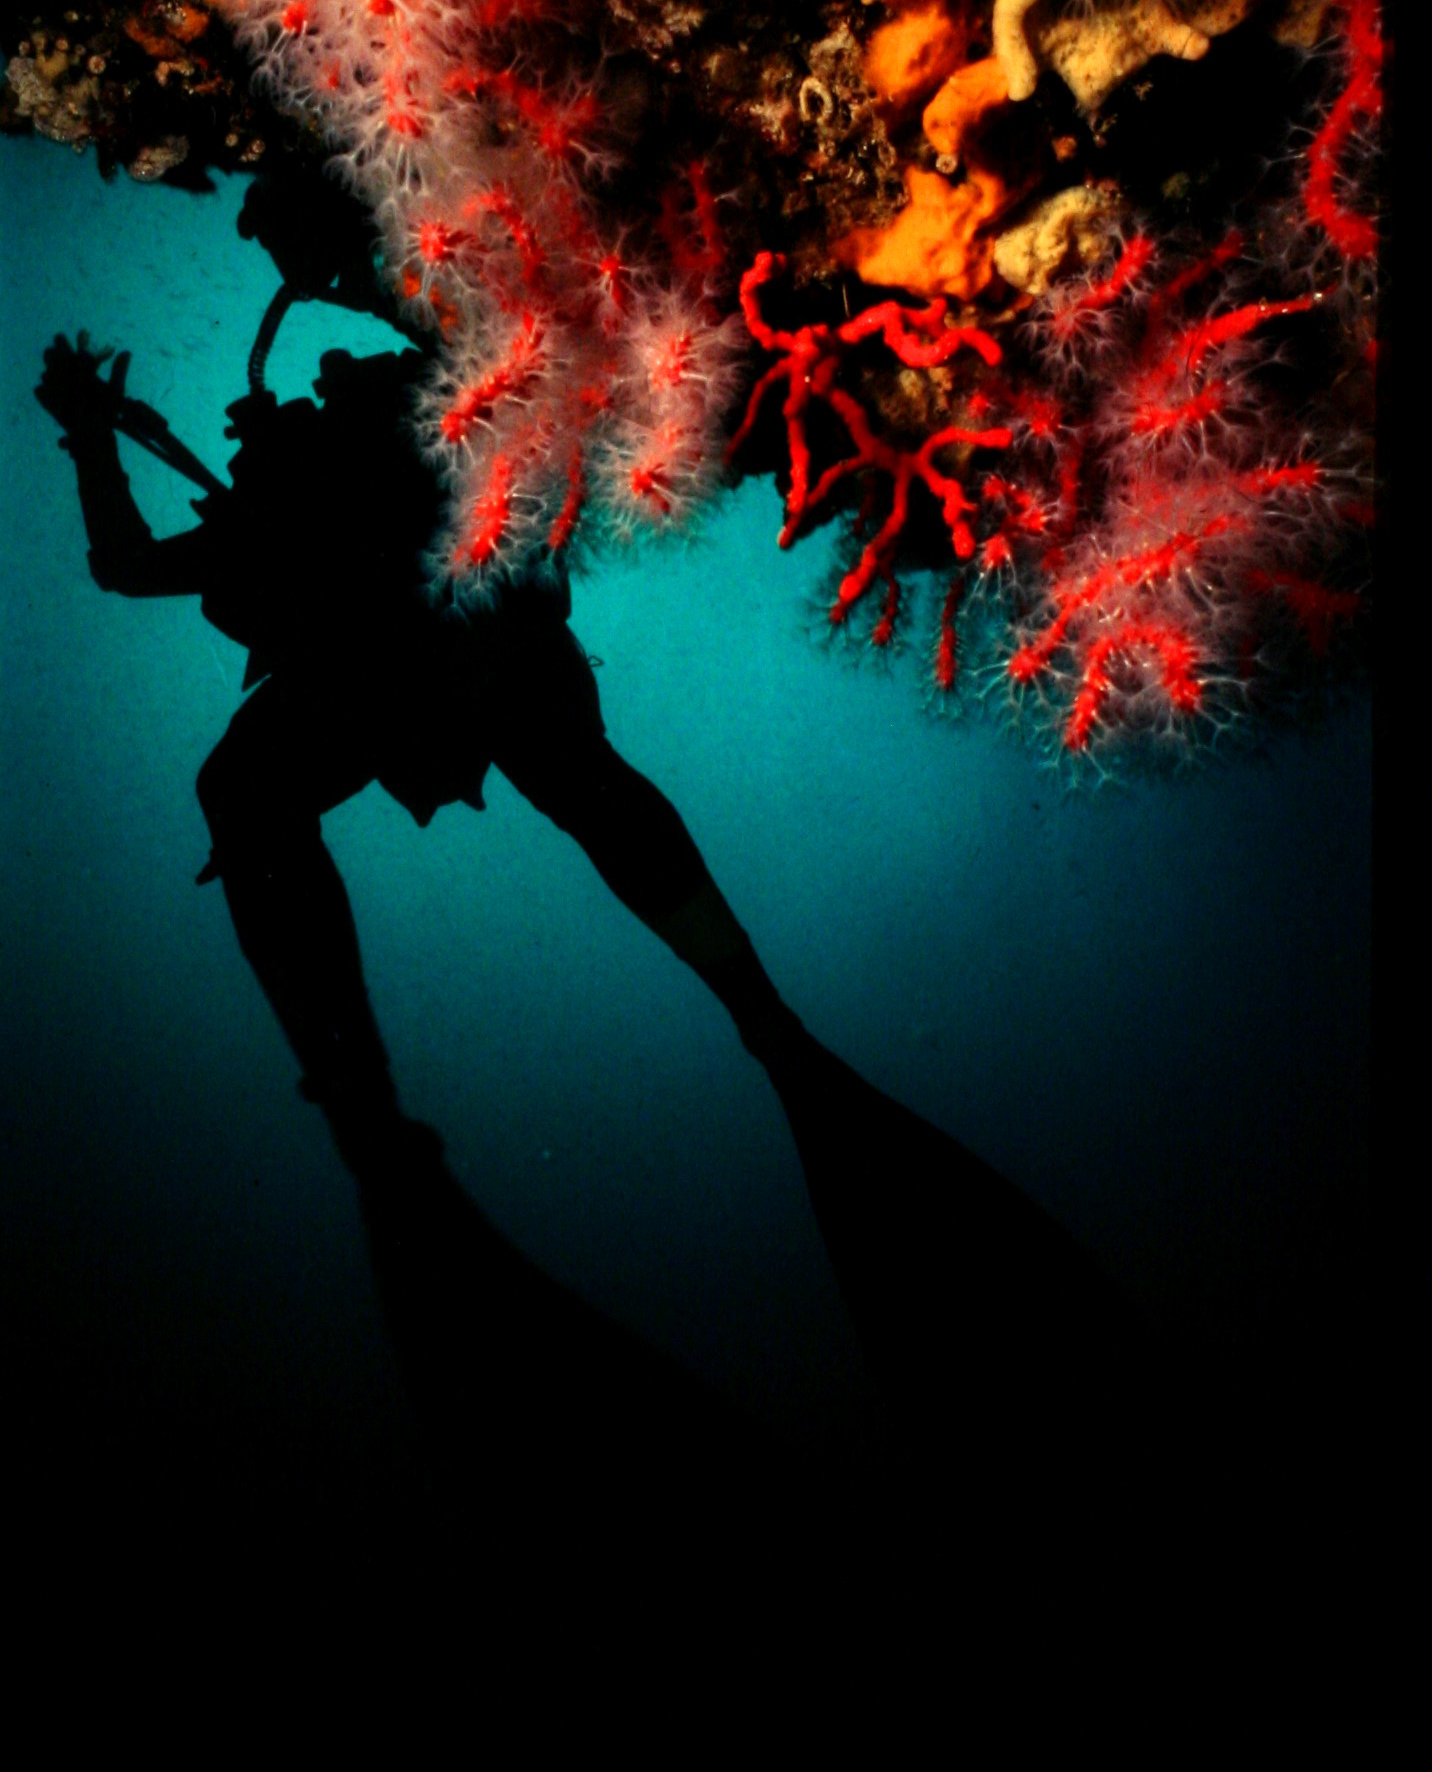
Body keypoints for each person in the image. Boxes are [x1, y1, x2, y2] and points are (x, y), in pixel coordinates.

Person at [35, 172, 1139, 1483]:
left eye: (340, 370)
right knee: (469, 775)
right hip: (419, 674)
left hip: (451, 655)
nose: (326, 374)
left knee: (422, 776)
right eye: (319, 380)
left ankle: (406, 1105)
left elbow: (479, 367)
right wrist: (98, 438)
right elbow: (133, 564)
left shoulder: (404, 430)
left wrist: (124, 420)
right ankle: (711, 1025)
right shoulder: (280, 506)